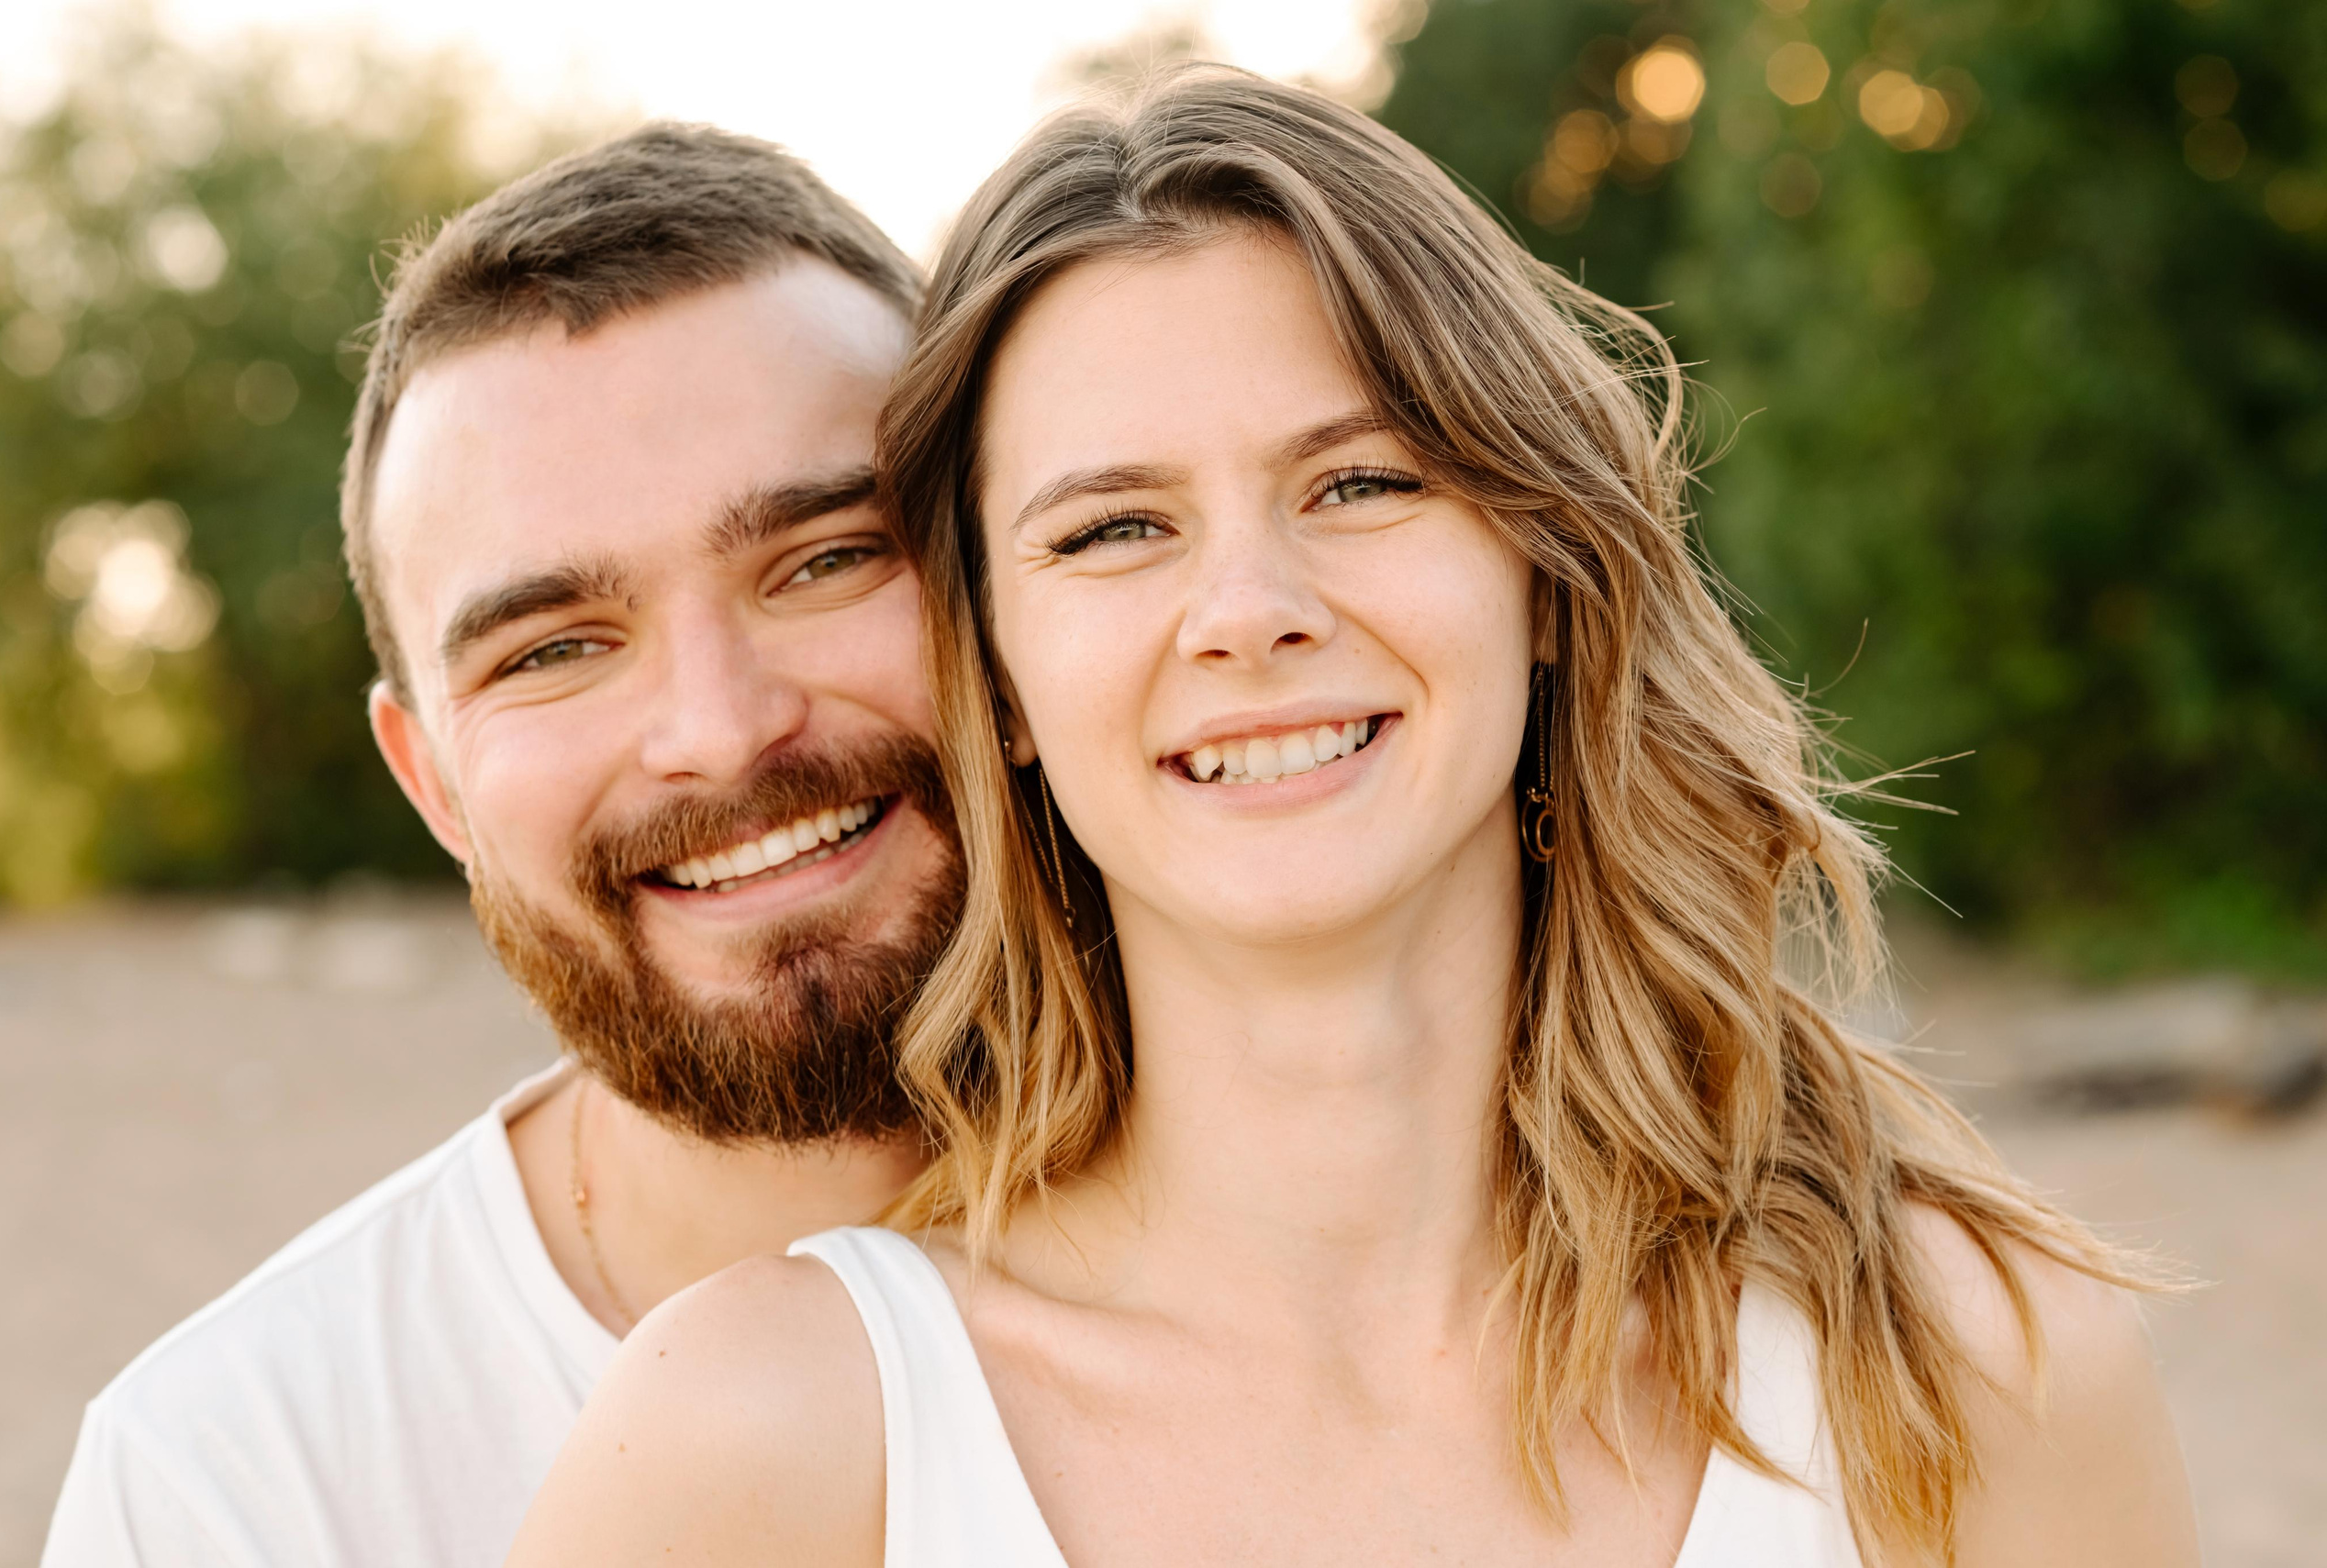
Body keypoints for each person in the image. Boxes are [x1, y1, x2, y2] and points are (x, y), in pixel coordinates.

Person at [510, 70, 2201, 1568]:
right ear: (1000, 682)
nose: (1250, 610)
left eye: (1365, 481)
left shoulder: (1966, 1365)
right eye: (1112, 529)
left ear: (1545, 576)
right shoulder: (772, 1434)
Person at [42, 124, 962, 1568]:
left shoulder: (1342, 1264)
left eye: (827, 559)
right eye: (553, 648)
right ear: (433, 786)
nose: (721, 730)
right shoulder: (232, 1486)